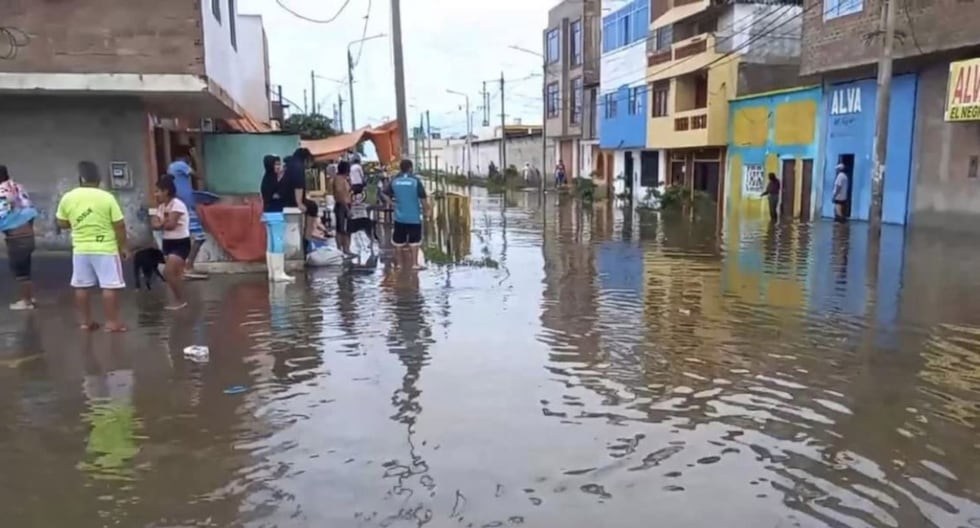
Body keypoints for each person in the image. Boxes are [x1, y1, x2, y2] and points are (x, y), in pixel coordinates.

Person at [56, 161, 129, 332]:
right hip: (105, 248)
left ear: (81, 178)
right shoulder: (107, 197)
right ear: (99, 180)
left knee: (81, 286)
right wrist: (124, 246)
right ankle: (112, 323)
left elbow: (61, 222)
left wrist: (76, 222)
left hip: (80, 249)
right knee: (110, 286)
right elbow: (119, 225)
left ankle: (86, 322)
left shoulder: (68, 197)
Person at [0, 165, 38, 310]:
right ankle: (29, 297)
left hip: (16, 238)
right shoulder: (17, 187)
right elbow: (30, 209)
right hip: (28, 234)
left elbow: (3, 216)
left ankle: (26, 301)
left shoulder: (2, 193)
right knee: (25, 269)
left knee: (20, 272)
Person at [166, 145, 207, 279]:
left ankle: (183, 267)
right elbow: (200, 176)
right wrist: (196, 157)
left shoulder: (173, 167)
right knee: (199, 237)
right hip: (185, 207)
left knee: (184, 237)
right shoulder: (180, 165)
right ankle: (187, 266)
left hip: (183, 205)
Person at [150, 176, 190, 310]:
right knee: (175, 274)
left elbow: (171, 225)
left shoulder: (177, 204)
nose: (156, 194)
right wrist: (162, 223)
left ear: (166, 191)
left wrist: (161, 224)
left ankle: (180, 300)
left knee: (168, 272)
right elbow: (154, 224)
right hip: (167, 242)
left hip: (181, 243)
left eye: (158, 191)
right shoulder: (160, 207)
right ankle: (180, 299)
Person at [385, 159, 429, 270]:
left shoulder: (394, 180)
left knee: (398, 242)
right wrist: (426, 212)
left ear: (401, 168)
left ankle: (399, 265)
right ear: (410, 168)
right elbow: (423, 199)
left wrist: (392, 204)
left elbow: (384, 193)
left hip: (399, 217)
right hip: (414, 217)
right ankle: (414, 264)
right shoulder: (415, 181)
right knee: (414, 242)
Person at [259, 154, 295, 282]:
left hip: (268, 214)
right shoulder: (273, 180)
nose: (279, 167)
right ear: (270, 165)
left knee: (271, 243)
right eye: (276, 164)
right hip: (275, 214)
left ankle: (273, 273)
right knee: (278, 242)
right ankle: (279, 273)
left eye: (279, 164)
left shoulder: (266, 178)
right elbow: (278, 195)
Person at [333, 161, 354, 257]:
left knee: (347, 227)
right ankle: (341, 248)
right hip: (342, 205)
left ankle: (346, 248)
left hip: (346, 204)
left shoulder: (344, 179)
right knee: (341, 228)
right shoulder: (339, 179)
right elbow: (340, 194)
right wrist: (347, 208)